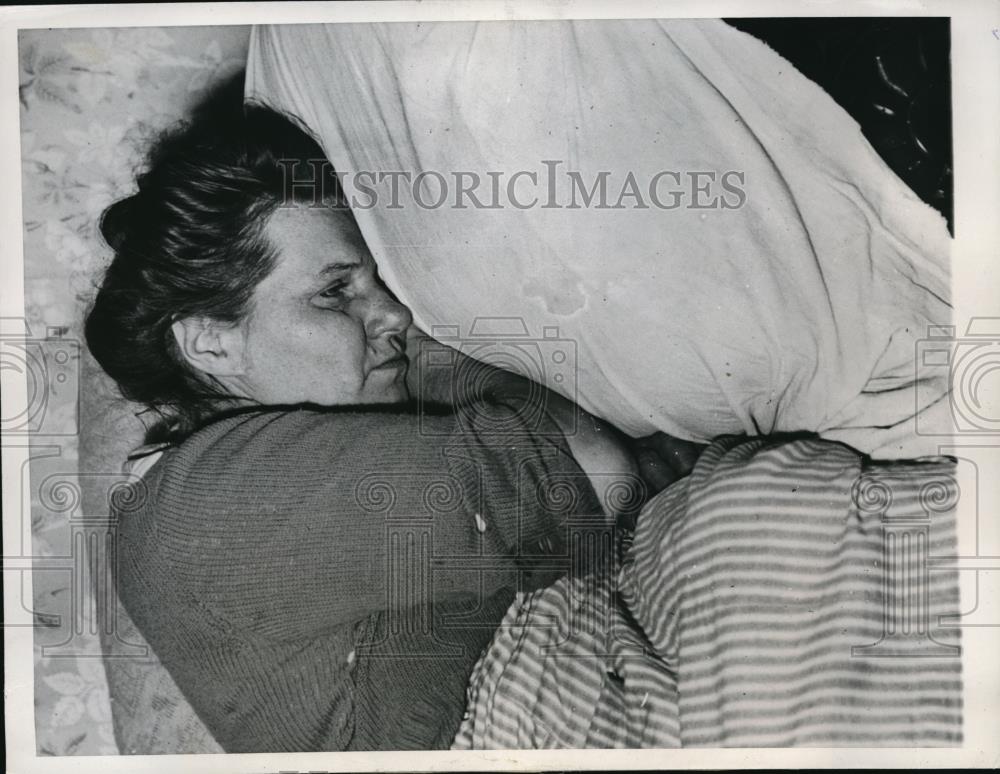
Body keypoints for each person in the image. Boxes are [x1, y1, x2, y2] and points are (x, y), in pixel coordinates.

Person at [85, 74, 694, 752]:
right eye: (335, 293)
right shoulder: (205, 500)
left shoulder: (213, 488)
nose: (394, 314)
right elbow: (594, 472)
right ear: (211, 342)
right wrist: (439, 355)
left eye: (379, 284)